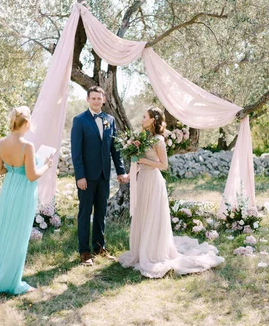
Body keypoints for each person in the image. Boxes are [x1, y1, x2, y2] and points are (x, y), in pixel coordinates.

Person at [119, 107, 224, 278]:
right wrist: (128, 176)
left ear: (153, 119)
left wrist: (142, 159)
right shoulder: (144, 138)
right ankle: (140, 251)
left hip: (153, 181)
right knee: (143, 214)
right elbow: (138, 163)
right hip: (143, 180)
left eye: (144, 116)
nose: (142, 119)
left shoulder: (158, 140)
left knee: (153, 215)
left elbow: (163, 165)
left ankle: (153, 252)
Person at [0, 106, 54, 295]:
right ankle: (12, 281)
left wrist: (12, 171)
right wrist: (46, 165)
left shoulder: (2, 143)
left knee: (5, 231)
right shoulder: (28, 146)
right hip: (23, 193)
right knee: (18, 235)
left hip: (9, 189)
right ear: (26, 123)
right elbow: (32, 175)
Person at [71, 86, 129, 265]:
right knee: (85, 212)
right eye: (93, 98)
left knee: (101, 212)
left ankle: (99, 247)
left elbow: (115, 149)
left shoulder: (109, 120)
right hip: (86, 177)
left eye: (99, 98)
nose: (96, 101)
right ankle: (84, 252)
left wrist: (120, 171)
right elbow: (76, 151)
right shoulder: (79, 120)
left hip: (104, 175)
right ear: (88, 100)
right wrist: (80, 176)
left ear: (104, 100)